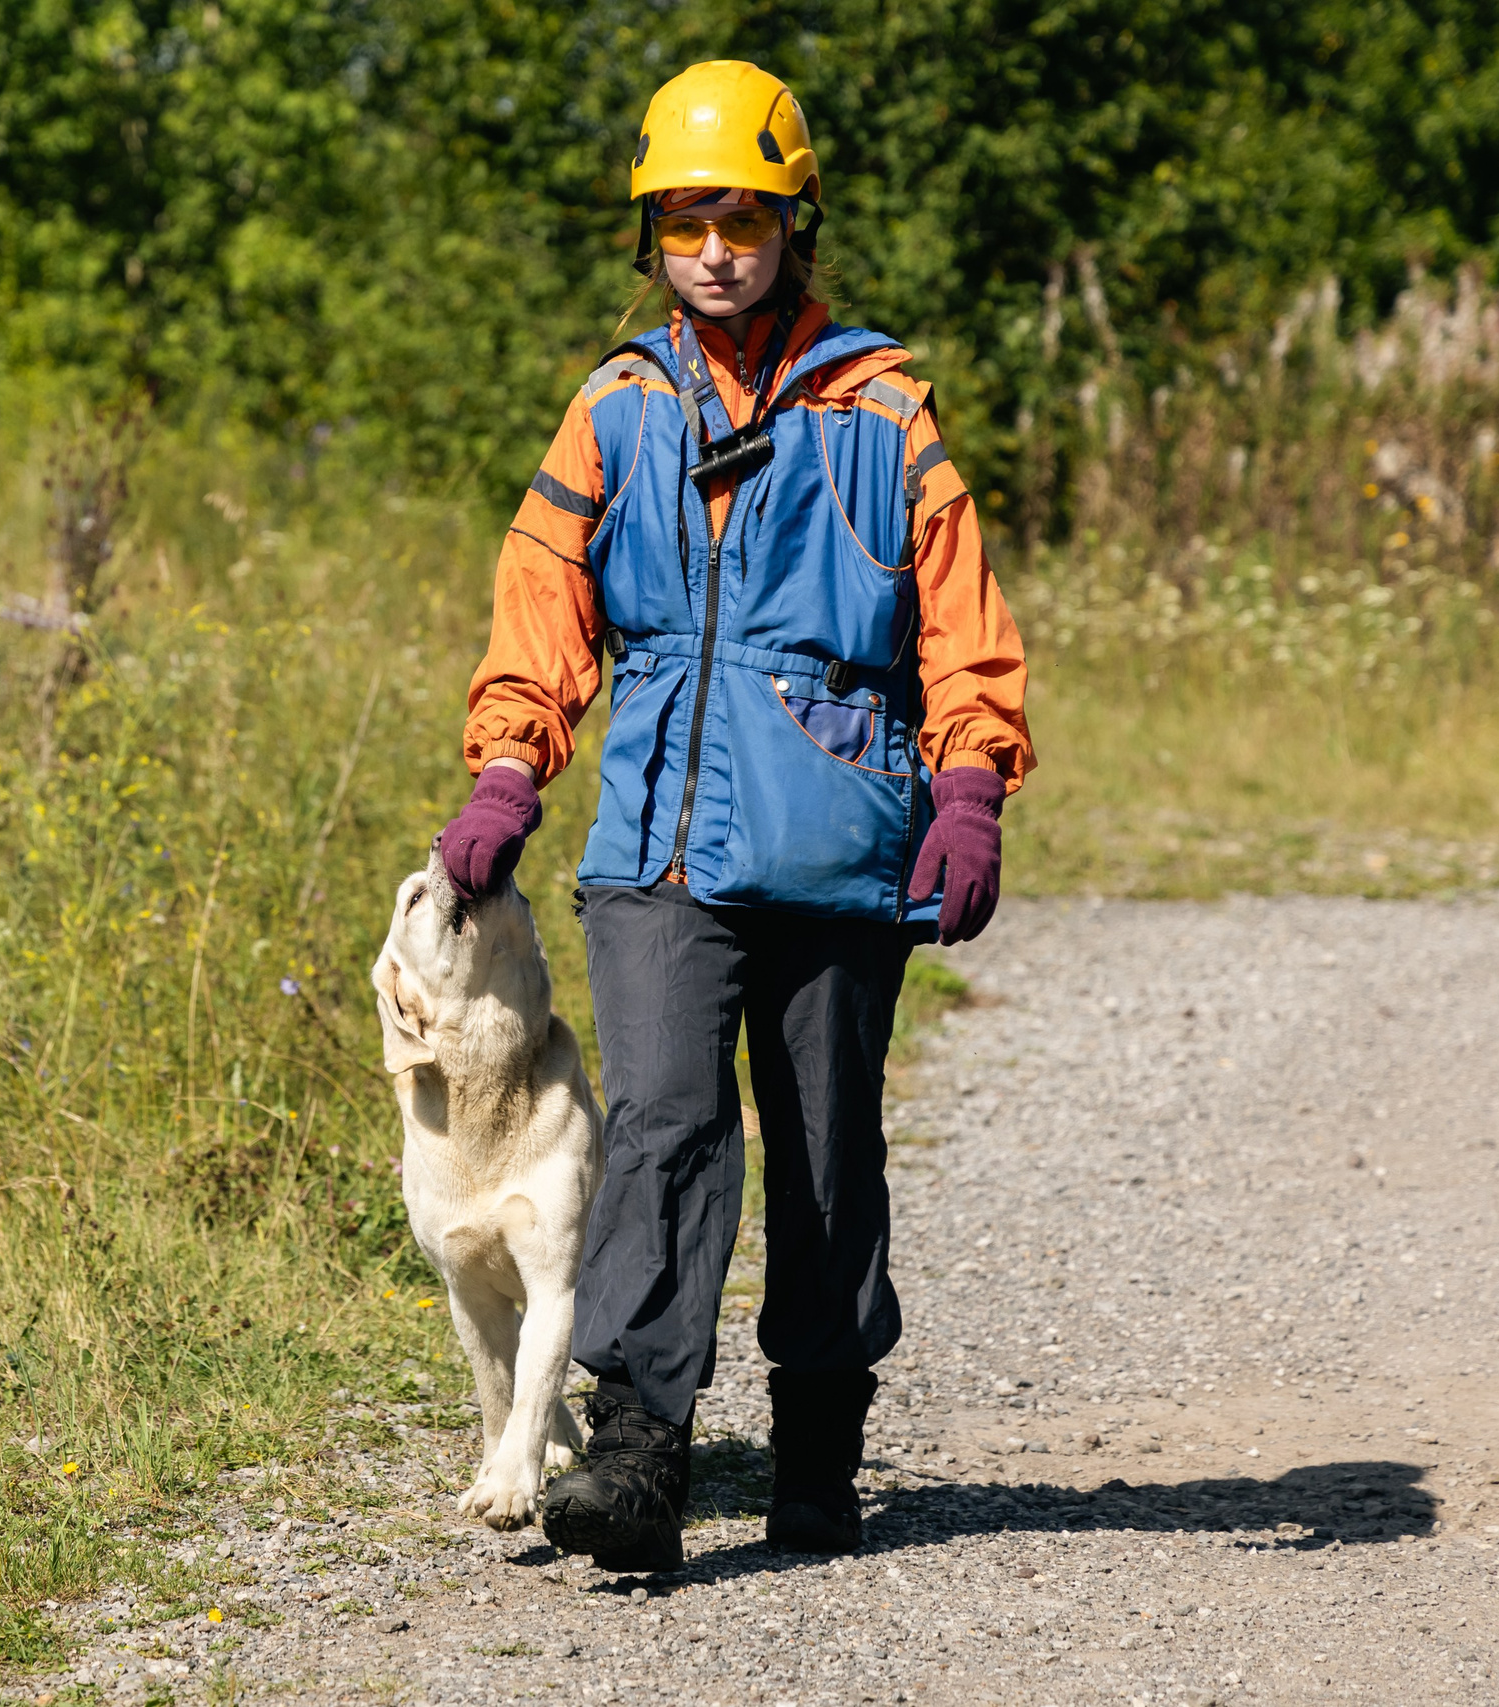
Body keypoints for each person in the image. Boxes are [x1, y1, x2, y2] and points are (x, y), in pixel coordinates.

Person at [435, 60, 1034, 1570]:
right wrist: (513, 765)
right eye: (689, 218)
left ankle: (821, 1446)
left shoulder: (883, 409)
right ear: (653, 232)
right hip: (657, 843)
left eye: (746, 217)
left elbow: (963, 622)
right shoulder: (616, 410)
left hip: (839, 842)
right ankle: (637, 1453)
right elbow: (541, 597)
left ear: (793, 223)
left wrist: (969, 782)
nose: (717, 246)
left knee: (826, 1143)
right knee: (666, 1126)